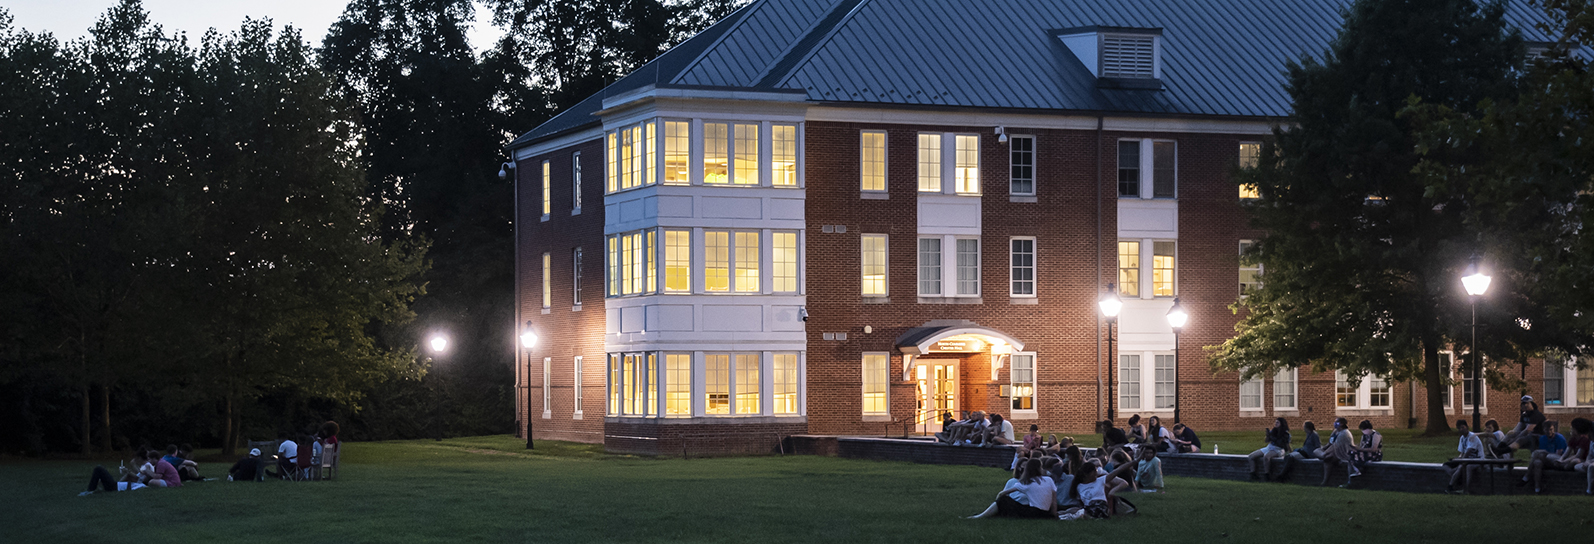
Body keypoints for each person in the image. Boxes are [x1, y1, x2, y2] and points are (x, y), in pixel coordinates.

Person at [967, 458, 1056, 519]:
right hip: (1046, 513)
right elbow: (1053, 500)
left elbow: (1003, 493)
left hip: (1033, 513)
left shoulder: (1026, 483)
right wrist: (1053, 514)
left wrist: (997, 500)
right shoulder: (1049, 480)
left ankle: (980, 516)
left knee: (1004, 500)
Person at [1523, 420, 1567, 494]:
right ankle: (1537, 488)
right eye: (1547, 429)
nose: (1549, 431)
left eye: (1551, 429)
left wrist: (1545, 455)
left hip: (1558, 460)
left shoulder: (1559, 438)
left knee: (1537, 453)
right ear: (1543, 429)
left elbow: (1559, 455)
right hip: (1546, 460)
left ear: (1554, 429)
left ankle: (1527, 476)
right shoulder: (1542, 439)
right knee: (1537, 462)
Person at [1443, 420, 1484, 494]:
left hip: (1477, 459)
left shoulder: (1472, 437)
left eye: (1463, 427)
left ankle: (1462, 488)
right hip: (1467, 459)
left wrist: (1461, 461)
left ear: (1467, 427)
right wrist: (1457, 459)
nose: (1461, 429)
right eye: (1459, 428)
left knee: (1463, 467)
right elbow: (1462, 452)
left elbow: (1469, 451)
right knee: (1446, 465)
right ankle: (1456, 480)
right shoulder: (1462, 438)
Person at [1315, 418, 1357, 486]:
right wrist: (1323, 449)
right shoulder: (1335, 431)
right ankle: (1323, 455)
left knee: (1327, 460)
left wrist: (1326, 452)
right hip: (1331, 451)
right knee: (1316, 451)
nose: (1334, 423)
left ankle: (1324, 482)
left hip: (1340, 453)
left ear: (1342, 423)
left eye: (1336, 422)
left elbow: (1336, 446)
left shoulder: (1344, 433)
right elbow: (1330, 443)